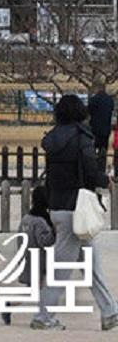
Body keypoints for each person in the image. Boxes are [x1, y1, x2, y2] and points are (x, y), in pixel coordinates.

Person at [32, 93, 118, 331]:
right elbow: (91, 171)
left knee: (92, 265)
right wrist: (105, 180)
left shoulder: (52, 139)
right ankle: (43, 317)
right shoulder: (82, 138)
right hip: (76, 210)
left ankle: (110, 311)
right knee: (62, 269)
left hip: (58, 207)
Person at [0, 183, 54, 325]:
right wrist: (55, 232)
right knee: (35, 291)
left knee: (34, 289)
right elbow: (45, 242)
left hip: (26, 259)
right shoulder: (41, 222)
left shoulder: (26, 219)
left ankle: (40, 312)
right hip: (38, 261)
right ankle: (10, 304)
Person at [88, 82, 114, 173]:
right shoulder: (110, 100)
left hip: (94, 129)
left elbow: (89, 112)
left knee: (92, 150)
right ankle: (102, 170)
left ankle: (93, 170)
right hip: (106, 129)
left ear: (97, 89)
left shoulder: (93, 99)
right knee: (103, 150)